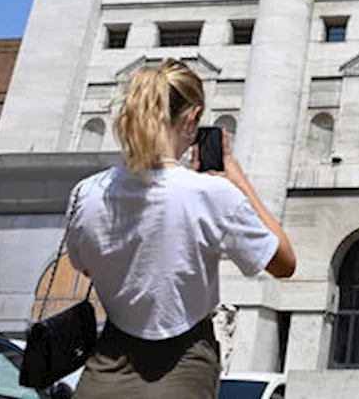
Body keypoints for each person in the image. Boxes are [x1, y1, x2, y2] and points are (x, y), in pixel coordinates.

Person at [66, 59, 296, 399]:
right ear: (192, 118)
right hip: (185, 363)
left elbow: (85, 266)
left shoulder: (87, 192)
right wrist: (239, 181)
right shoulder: (212, 194)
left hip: (107, 363)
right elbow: (284, 263)